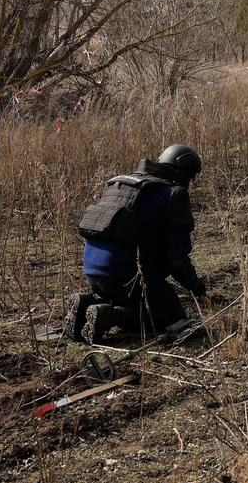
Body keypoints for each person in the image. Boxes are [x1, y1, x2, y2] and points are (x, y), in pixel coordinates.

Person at [68, 144, 207, 344]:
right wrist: (196, 288)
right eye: (191, 178)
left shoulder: (121, 184)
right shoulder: (173, 194)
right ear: (184, 172)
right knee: (173, 318)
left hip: (92, 270)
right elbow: (177, 258)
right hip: (129, 274)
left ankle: (87, 303)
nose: (190, 184)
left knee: (131, 297)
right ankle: (110, 316)